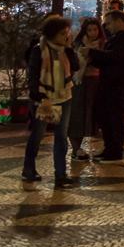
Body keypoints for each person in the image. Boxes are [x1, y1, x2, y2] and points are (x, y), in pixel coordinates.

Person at [22, 16, 79, 187]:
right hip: (44, 98)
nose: (65, 36)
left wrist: (70, 49)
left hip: (64, 97)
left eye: (67, 33)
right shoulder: (39, 50)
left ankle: (60, 175)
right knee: (38, 134)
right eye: (62, 34)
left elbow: (75, 66)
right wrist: (38, 96)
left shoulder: (66, 50)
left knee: (61, 136)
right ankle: (29, 169)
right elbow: (33, 74)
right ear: (52, 34)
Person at [92, 10, 124, 161]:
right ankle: (108, 147)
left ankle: (115, 150)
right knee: (105, 116)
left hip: (118, 85)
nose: (107, 26)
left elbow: (115, 56)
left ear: (119, 21)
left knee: (115, 118)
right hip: (108, 83)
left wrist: (93, 53)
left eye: (109, 23)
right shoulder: (116, 38)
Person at [68, 17, 103, 161]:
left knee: (91, 115)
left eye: (95, 29)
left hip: (95, 82)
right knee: (78, 114)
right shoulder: (78, 44)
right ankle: (76, 148)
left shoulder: (103, 45)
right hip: (79, 82)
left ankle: (81, 146)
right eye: (89, 30)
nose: (93, 33)